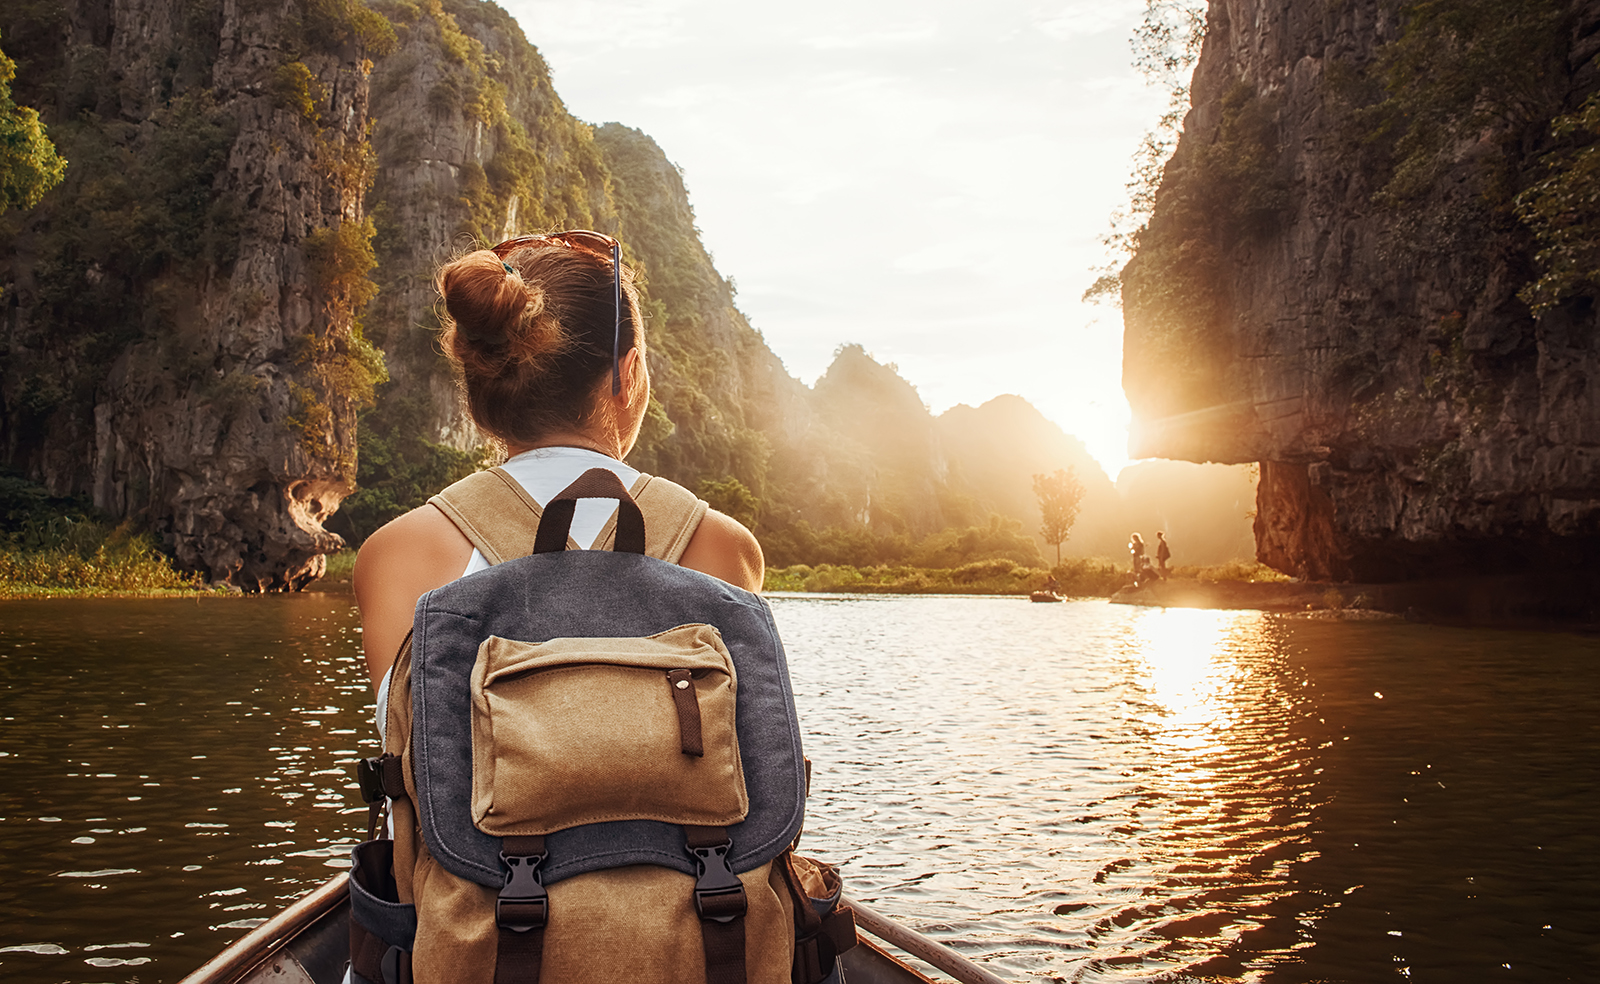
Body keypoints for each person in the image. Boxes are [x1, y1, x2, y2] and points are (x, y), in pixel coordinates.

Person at [352, 231, 764, 697]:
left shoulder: (397, 553)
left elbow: (407, 751)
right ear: (628, 376)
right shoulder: (720, 546)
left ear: (476, 387)